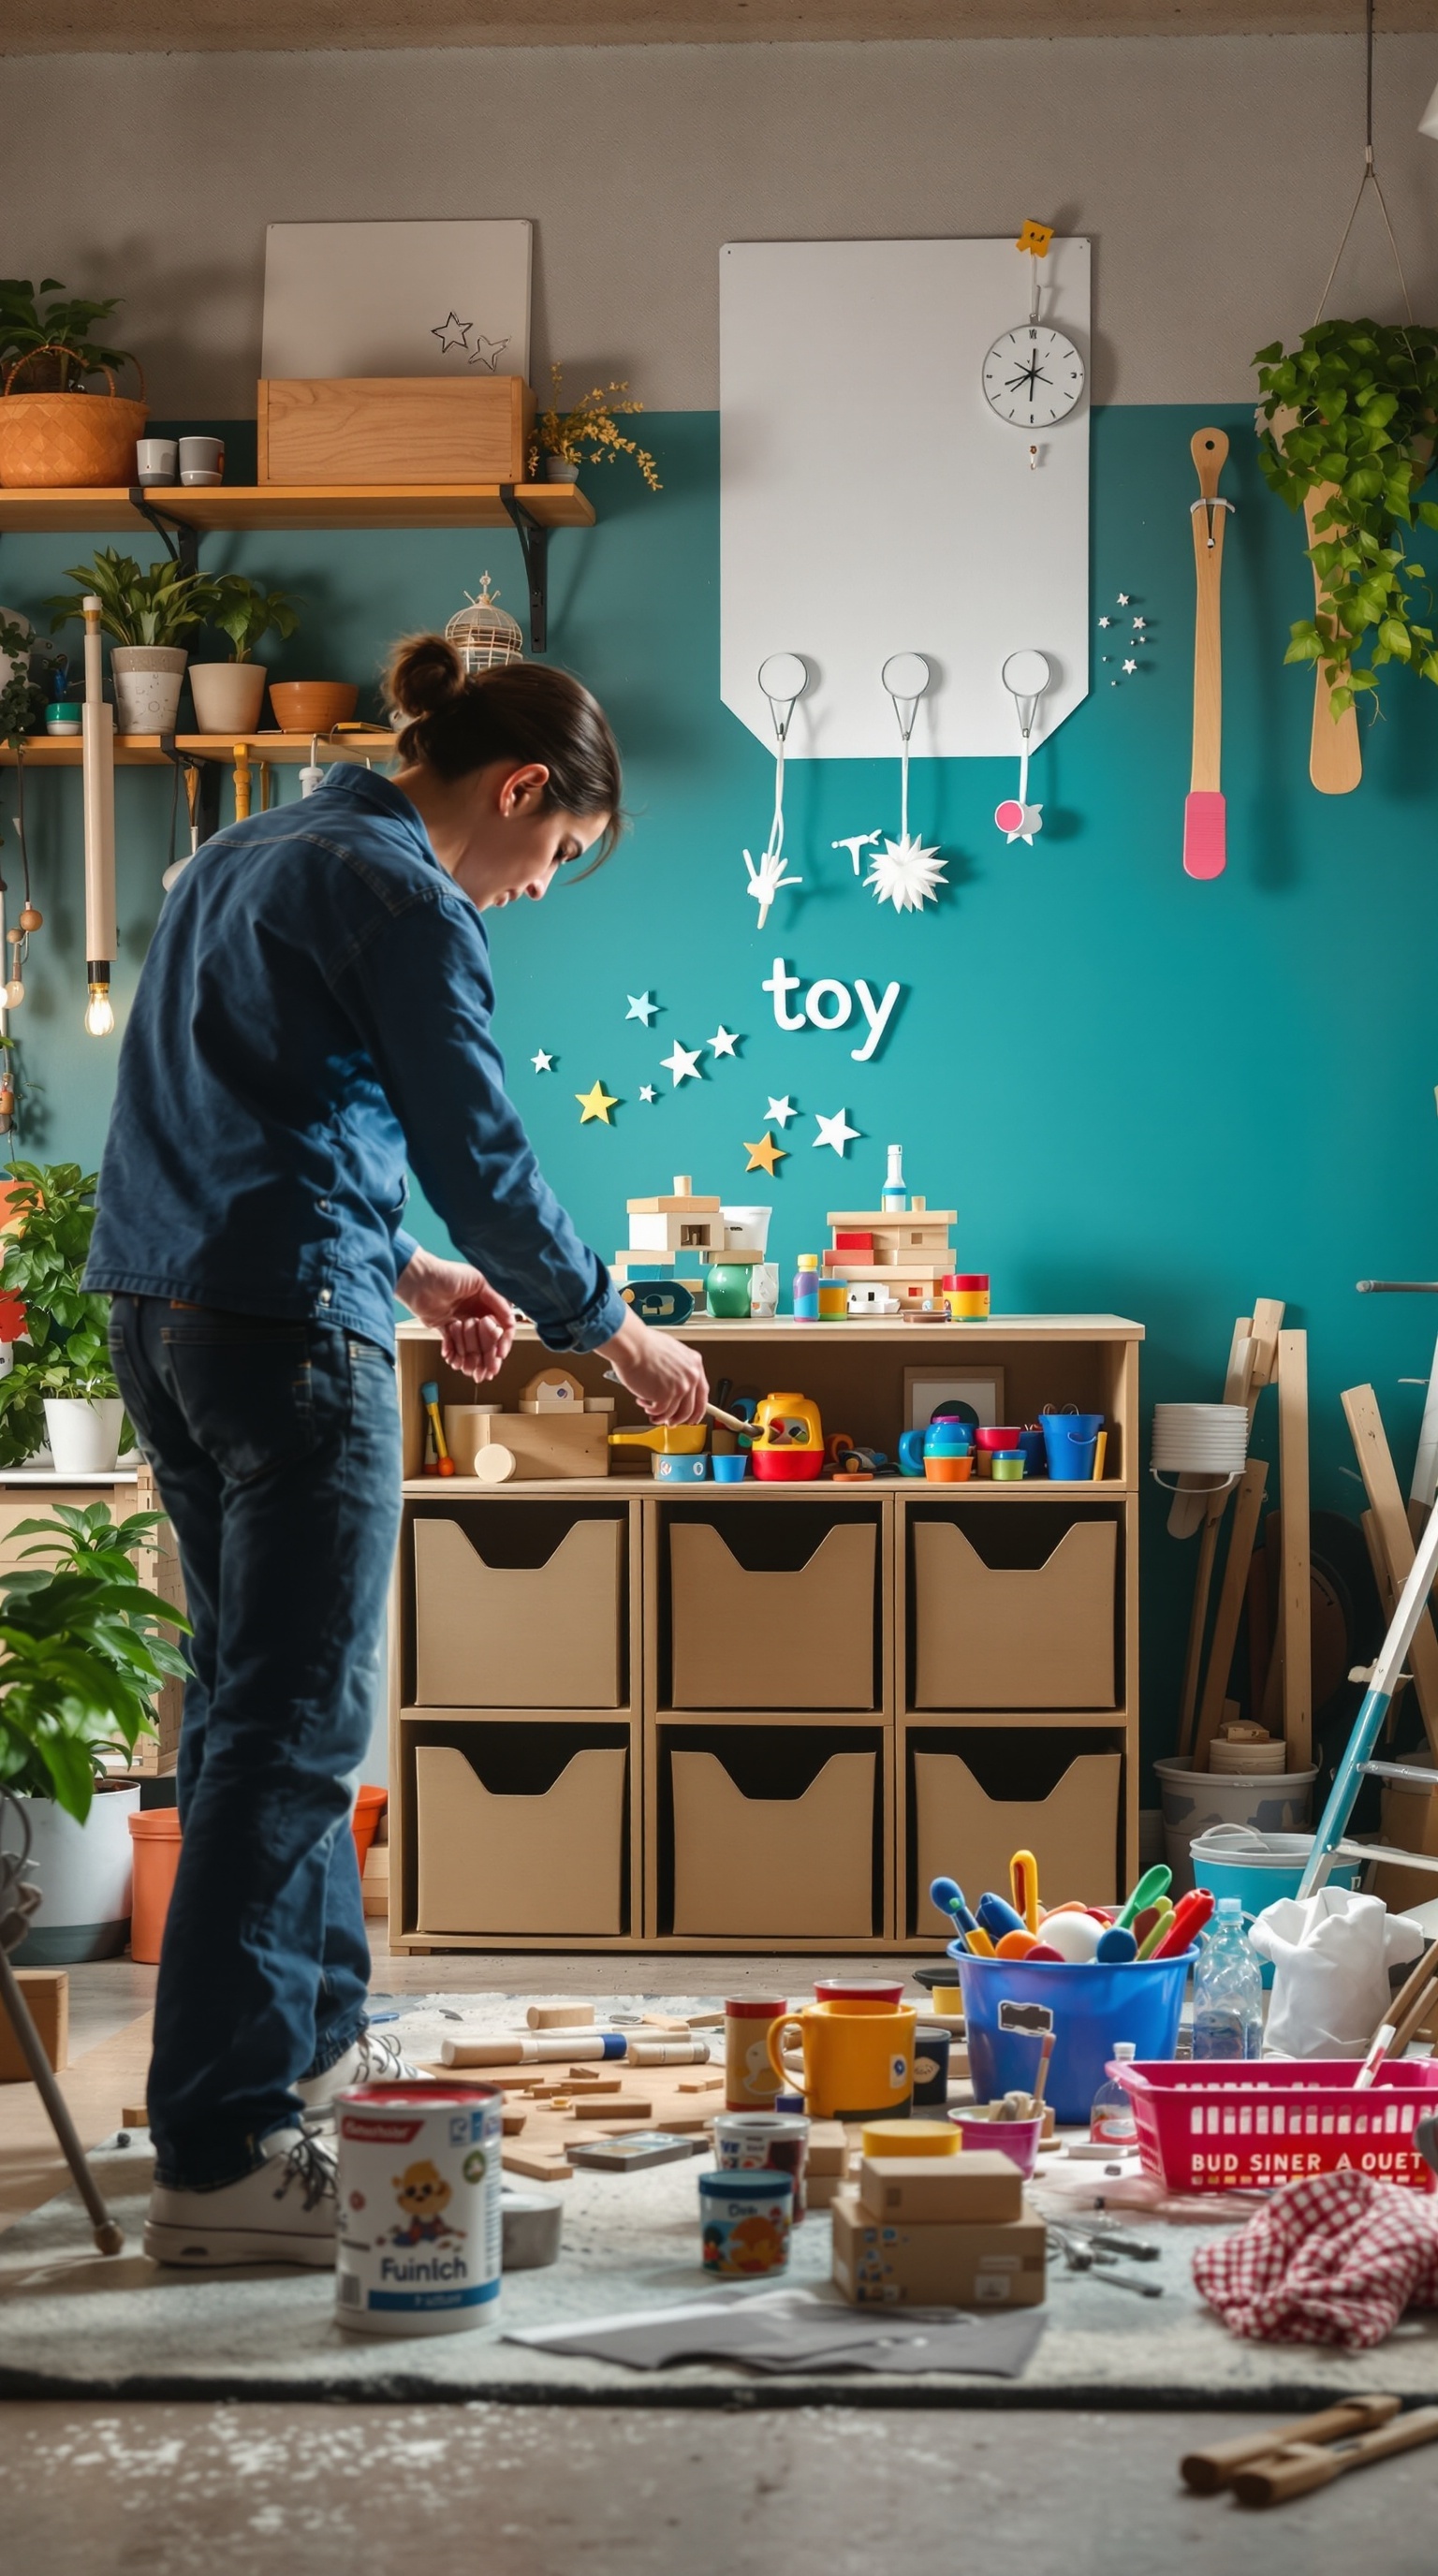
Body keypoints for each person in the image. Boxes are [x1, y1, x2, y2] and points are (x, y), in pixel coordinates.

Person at [85, 636, 709, 2267]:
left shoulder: (247, 849)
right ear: (520, 788)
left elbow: (241, 1116)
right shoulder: (407, 898)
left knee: (256, 1709)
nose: (536, 887)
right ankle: (221, 2152)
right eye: (557, 850)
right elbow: (484, 1158)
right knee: (294, 1730)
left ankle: (306, 2065)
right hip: (288, 1337)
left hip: (166, 1312)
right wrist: (620, 1336)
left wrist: (414, 1272)